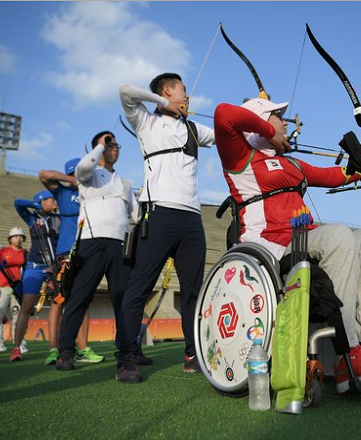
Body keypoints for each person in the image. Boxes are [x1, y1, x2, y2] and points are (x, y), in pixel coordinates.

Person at [213, 98, 361, 394]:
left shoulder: (292, 162)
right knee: (339, 234)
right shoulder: (240, 157)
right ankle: (349, 352)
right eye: (278, 117)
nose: (285, 123)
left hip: (306, 240)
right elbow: (223, 114)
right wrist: (269, 130)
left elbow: (332, 176)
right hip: (272, 247)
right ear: (262, 123)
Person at [116, 73, 215, 380]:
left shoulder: (193, 128)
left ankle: (192, 353)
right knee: (140, 286)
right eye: (183, 91)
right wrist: (165, 104)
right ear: (167, 91)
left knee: (192, 292)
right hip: (158, 215)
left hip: (191, 219)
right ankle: (127, 357)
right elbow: (124, 90)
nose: (188, 96)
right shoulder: (146, 121)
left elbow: (226, 133)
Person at [56, 131, 138, 377]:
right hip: (91, 242)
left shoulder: (125, 183)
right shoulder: (88, 173)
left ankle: (127, 353)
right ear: (98, 148)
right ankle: (66, 352)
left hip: (119, 246)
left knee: (123, 302)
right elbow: (82, 167)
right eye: (108, 142)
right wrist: (100, 147)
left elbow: (137, 215)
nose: (114, 146)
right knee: (79, 298)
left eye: (115, 143)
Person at [38, 159, 103, 366]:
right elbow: (44, 174)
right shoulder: (63, 193)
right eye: (77, 172)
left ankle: (83, 348)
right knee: (58, 301)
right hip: (64, 253)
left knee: (82, 301)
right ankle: (53, 349)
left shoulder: (93, 191)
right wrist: (71, 179)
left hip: (86, 251)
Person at [10, 190, 60, 361]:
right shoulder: (32, 218)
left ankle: (55, 348)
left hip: (54, 268)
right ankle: (16, 348)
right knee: (26, 307)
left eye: (53, 199)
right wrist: (35, 205)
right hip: (35, 267)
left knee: (58, 306)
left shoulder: (59, 218)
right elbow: (18, 201)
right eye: (49, 199)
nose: (54, 201)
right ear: (41, 201)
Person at [0, 228, 27, 353]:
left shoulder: (25, 252)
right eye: (15, 236)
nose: (18, 238)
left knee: (18, 317)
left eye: (20, 236)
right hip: (2, 287)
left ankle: (20, 344)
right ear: (10, 238)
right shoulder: (2, 251)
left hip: (18, 288)